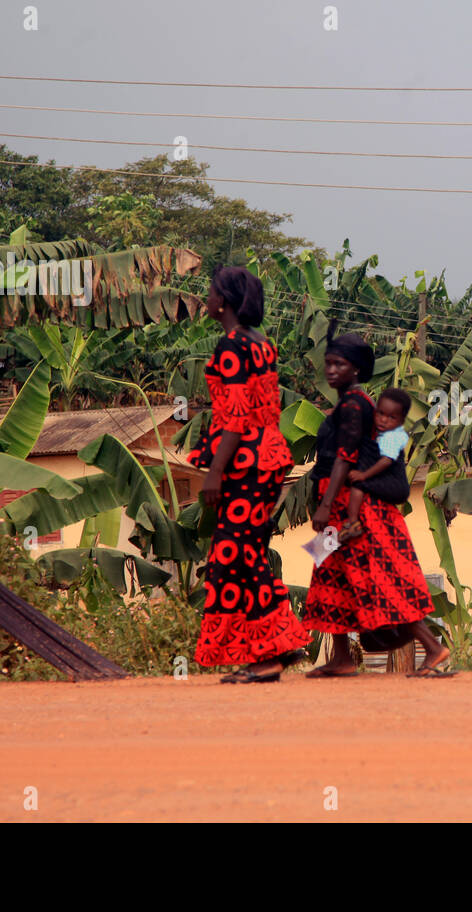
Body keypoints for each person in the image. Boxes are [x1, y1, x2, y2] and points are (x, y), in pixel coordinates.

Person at [303, 332, 451, 677]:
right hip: (339, 502)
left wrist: (324, 506)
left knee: (378, 580)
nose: (331, 370)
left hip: (356, 509)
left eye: (340, 364)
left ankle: (433, 648)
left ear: (356, 369)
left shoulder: (355, 405)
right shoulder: (347, 404)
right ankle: (341, 657)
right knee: (328, 578)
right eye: (328, 363)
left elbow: (344, 458)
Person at [187, 266, 310, 683]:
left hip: (245, 464)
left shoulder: (232, 345)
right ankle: (274, 647)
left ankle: (268, 655)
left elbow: (236, 420)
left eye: (211, 291)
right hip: (268, 458)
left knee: (233, 555)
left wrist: (214, 474)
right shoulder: (263, 344)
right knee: (247, 554)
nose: (206, 298)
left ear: (225, 301)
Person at [338, 387, 411, 542]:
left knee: (359, 485)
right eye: (380, 414)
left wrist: (362, 475)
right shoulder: (372, 441)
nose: (383, 420)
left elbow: (386, 461)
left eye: (391, 417)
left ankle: (352, 523)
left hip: (385, 501)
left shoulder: (376, 445)